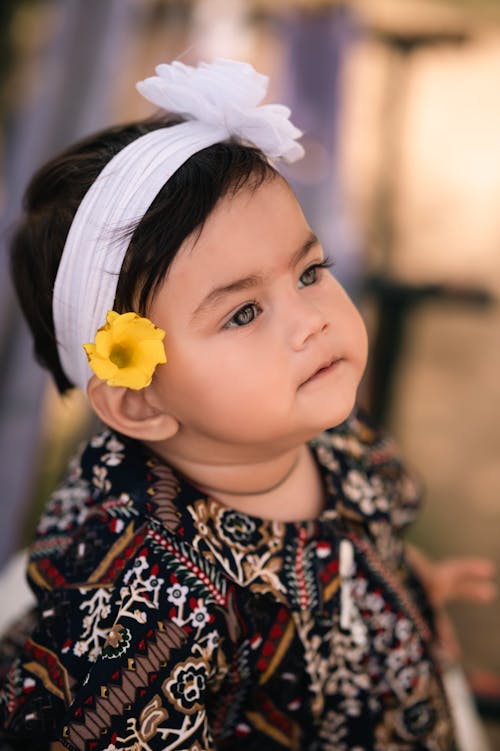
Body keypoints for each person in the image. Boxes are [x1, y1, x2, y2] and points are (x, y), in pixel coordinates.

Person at [0, 59, 495, 751]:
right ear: (140, 404)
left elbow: (351, 544)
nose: (311, 320)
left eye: (310, 272)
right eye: (243, 313)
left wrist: (404, 584)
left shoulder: (323, 432)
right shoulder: (152, 608)